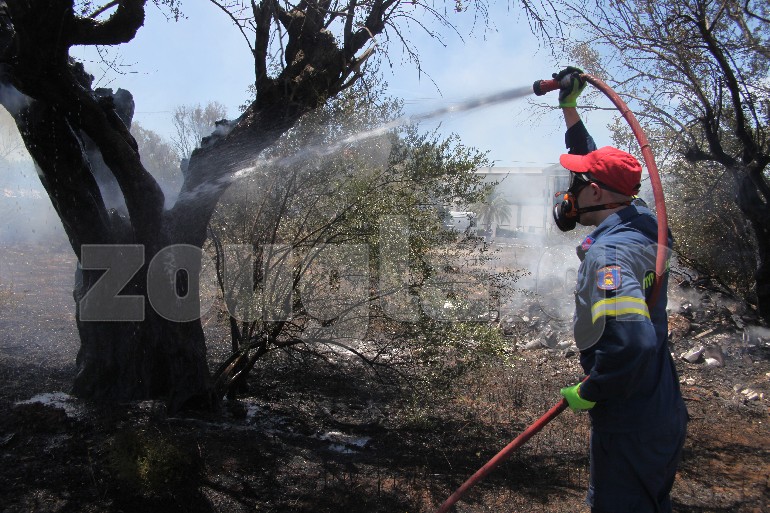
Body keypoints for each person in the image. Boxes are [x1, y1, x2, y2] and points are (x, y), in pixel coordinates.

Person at [551, 67, 688, 513]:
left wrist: (593, 388)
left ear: (593, 193)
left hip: (629, 419)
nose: (570, 192)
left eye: (576, 184)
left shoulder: (608, 257)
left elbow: (632, 342)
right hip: (659, 406)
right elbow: (598, 168)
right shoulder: (643, 222)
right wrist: (570, 109)